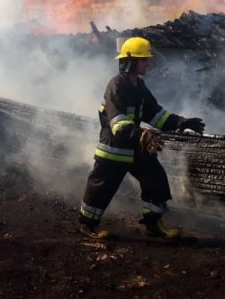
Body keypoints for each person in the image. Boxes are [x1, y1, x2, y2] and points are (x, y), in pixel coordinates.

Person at [77, 36, 205, 239]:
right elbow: (118, 123)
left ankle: (153, 225)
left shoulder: (139, 86)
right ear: (130, 61)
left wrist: (181, 122)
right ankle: (88, 225)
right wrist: (141, 134)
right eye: (144, 59)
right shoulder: (116, 86)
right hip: (115, 148)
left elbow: (155, 114)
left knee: (156, 180)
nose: (148, 63)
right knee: (101, 187)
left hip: (136, 145)